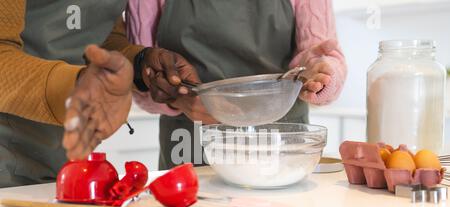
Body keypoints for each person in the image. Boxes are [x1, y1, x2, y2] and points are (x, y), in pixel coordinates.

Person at [123, 0, 348, 170]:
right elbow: (140, 75)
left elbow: (322, 53)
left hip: (281, 146)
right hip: (190, 145)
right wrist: (179, 99)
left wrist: (322, 73)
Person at [0, 1, 192, 187]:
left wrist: (140, 63)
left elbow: (103, 37)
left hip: (65, 155)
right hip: (9, 152)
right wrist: (77, 83)